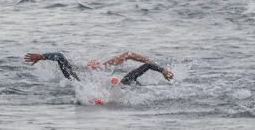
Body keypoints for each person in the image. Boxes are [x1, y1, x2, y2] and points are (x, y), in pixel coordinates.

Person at [23, 51, 173, 86]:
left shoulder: (105, 67)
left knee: (140, 72)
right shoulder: (77, 78)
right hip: (93, 89)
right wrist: (42, 56)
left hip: (118, 85)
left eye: (96, 65)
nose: (94, 67)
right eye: (91, 65)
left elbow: (129, 54)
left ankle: (163, 71)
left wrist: (162, 69)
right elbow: (60, 57)